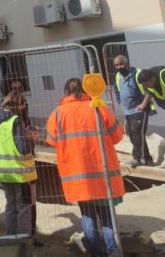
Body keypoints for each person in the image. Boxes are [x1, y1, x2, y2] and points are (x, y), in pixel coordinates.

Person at [46, 78, 125, 257]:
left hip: (78, 178)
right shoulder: (98, 108)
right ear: (86, 90)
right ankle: (113, 253)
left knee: (88, 218)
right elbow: (118, 136)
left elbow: (51, 140)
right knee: (107, 218)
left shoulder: (58, 113)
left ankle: (96, 254)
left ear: (66, 92)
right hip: (103, 175)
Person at [0, 91, 41, 245]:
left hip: (4, 173)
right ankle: (23, 246)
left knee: (11, 207)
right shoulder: (15, 121)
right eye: (23, 105)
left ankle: (10, 242)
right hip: (20, 174)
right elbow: (23, 148)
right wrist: (32, 139)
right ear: (19, 105)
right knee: (24, 210)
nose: (24, 108)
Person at [113, 55, 155, 166]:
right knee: (132, 134)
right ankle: (147, 159)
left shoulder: (137, 74)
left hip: (139, 111)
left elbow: (150, 89)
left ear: (127, 64)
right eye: (116, 65)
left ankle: (138, 158)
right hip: (128, 111)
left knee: (137, 134)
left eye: (121, 64)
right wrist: (120, 100)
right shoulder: (118, 76)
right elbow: (116, 88)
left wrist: (143, 104)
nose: (119, 67)